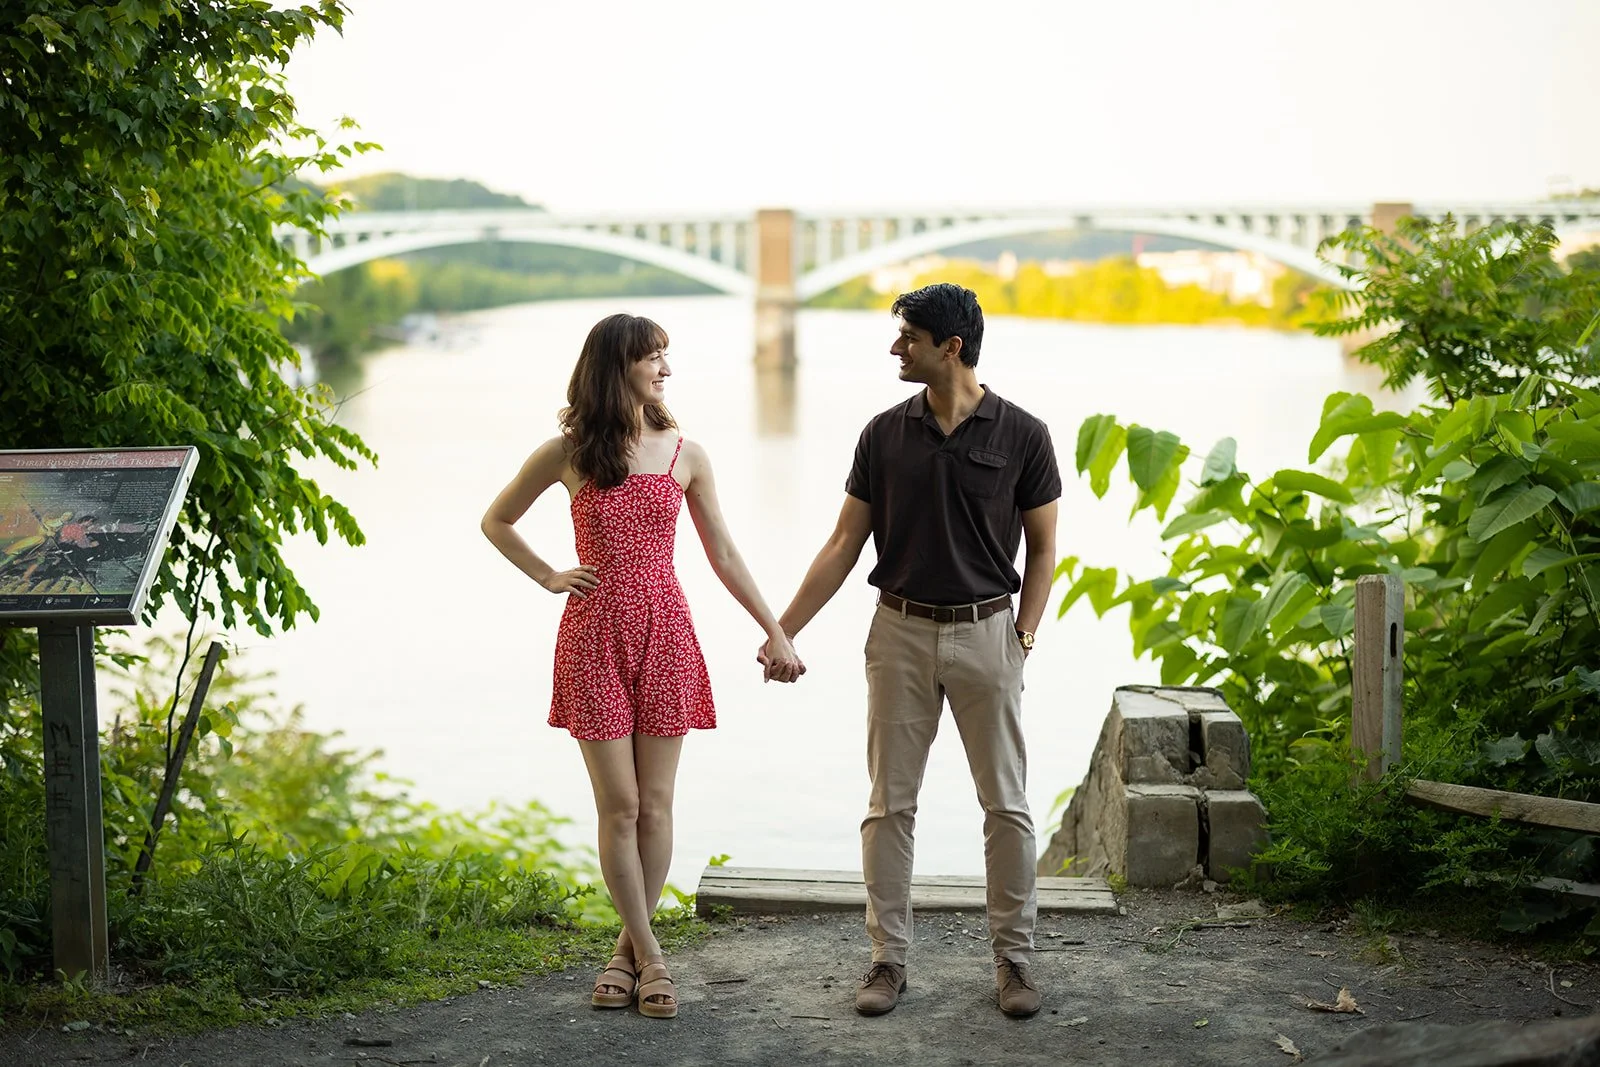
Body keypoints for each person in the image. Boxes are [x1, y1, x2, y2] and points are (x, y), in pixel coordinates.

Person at [483, 312, 804, 1019]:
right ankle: (653, 956)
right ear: (616, 364)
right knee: (620, 805)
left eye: (666, 356)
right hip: (594, 634)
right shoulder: (568, 451)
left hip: (666, 632)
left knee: (656, 805)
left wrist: (776, 631)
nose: (665, 368)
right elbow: (497, 519)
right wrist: (547, 574)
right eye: (653, 356)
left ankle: (627, 950)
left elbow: (722, 551)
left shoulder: (685, 452)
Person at [760, 283, 1061, 1018]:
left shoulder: (1023, 433)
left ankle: (1014, 962)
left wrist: (1023, 635)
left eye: (908, 338)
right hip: (896, 632)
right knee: (888, 805)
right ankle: (887, 961)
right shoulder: (882, 434)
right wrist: (783, 627)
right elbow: (841, 544)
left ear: (950, 347)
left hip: (990, 632)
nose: (896, 349)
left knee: (1008, 806)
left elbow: (1047, 546)